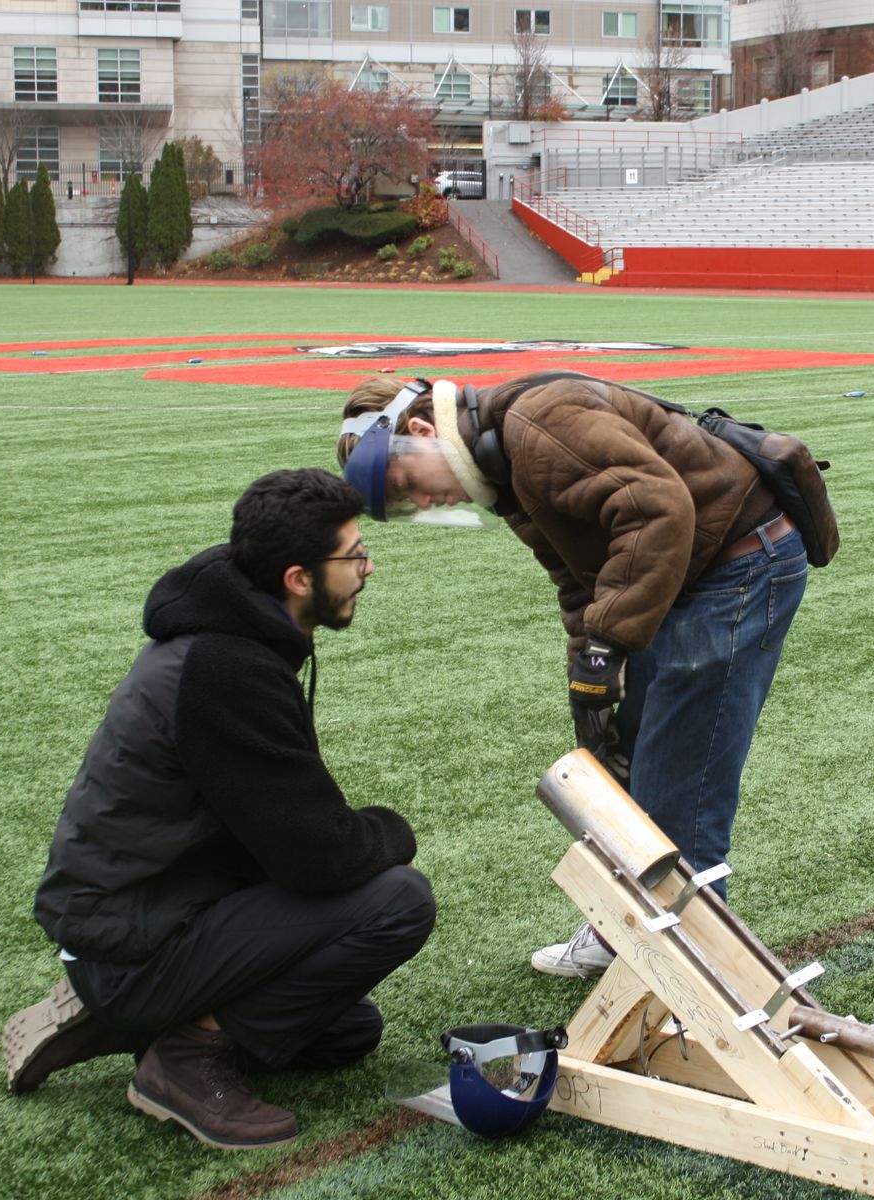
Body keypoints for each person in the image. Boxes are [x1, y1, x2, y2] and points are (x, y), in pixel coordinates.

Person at [2, 468, 434, 1151]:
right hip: (131, 942)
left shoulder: (229, 635)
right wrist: (393, 831)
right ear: (297, 578)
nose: (368, 568)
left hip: (142, 913)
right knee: (398, 900)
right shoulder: (225, 671)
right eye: (353, 556)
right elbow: (318, 856)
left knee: (350, 1031)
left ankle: (132, 1019)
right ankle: (178, 1060)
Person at [336, 374, 807, 978]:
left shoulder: (538, 426)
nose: (422, 504)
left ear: (423, 433)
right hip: (685, 575)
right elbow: (577, 579)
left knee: (680, 791)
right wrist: (588, 681)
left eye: (406, 487)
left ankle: (696, 978)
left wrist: (607, 644)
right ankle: (624, 936)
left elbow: (659, 509)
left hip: (735, 567)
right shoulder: (503, 465)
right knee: (629, 764)